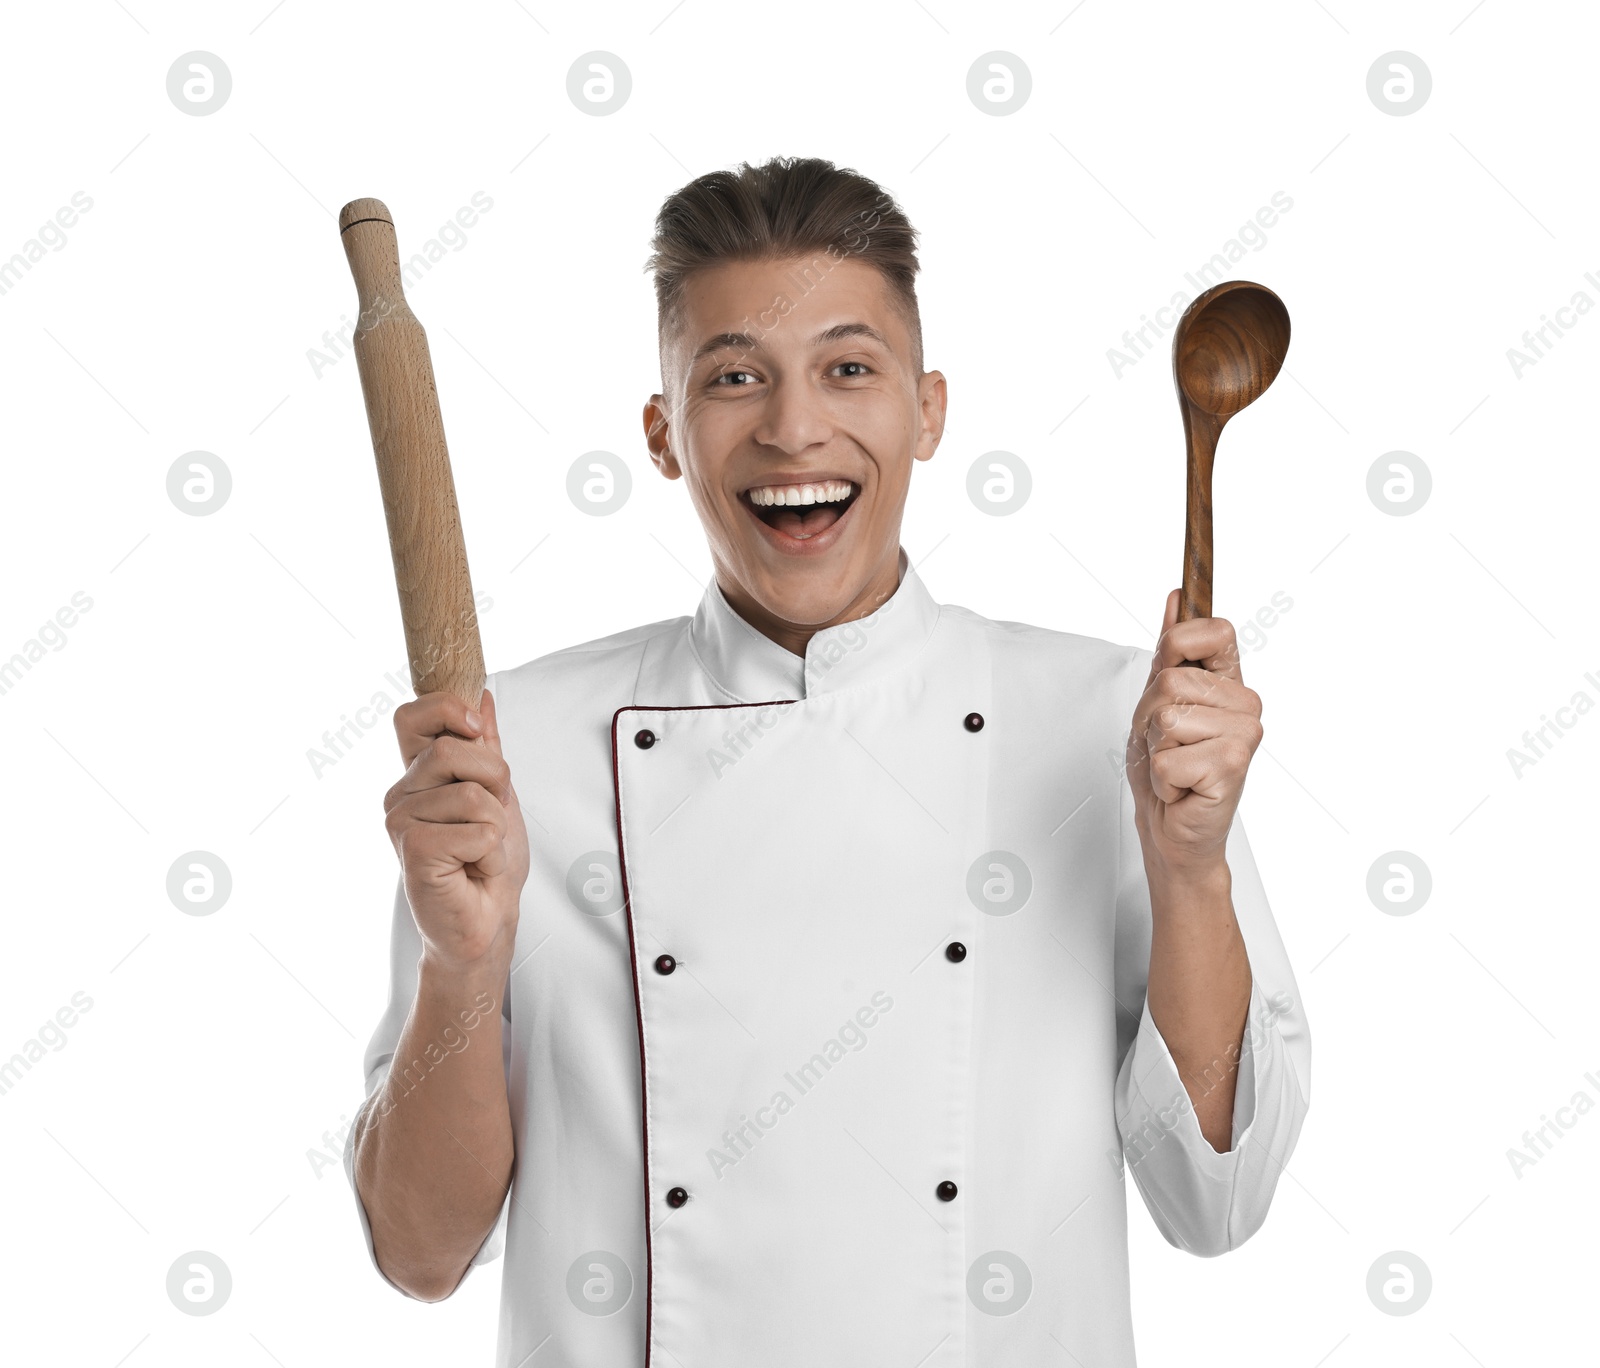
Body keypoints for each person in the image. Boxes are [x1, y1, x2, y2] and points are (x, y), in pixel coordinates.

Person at [343, 155, 1310, 1367]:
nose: (793, 427)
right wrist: (464, 962)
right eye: (733, 377)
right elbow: (418, 1253)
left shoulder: (1115, 725)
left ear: (928, 410)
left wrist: (1194, 872)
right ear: (661, 432)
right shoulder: (509, 752)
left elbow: (1214, 1205)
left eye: (848, 369)